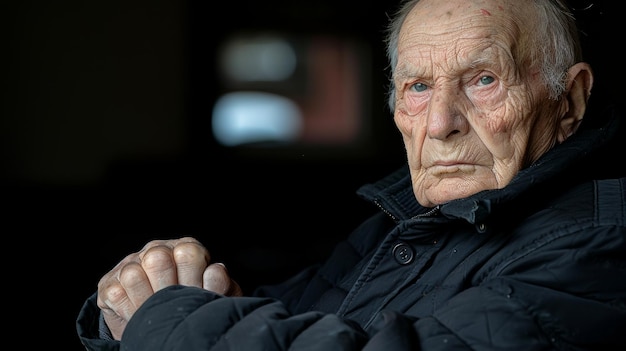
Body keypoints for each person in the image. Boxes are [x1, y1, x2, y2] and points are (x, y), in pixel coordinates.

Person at [77, 0, 626, 349]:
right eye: (417, 87)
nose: (439, 124)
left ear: (570, 99)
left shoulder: (601, 244)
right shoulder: (411, 224)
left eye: (482, 79)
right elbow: (270, 313)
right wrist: (144, 296)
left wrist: (167, 321)